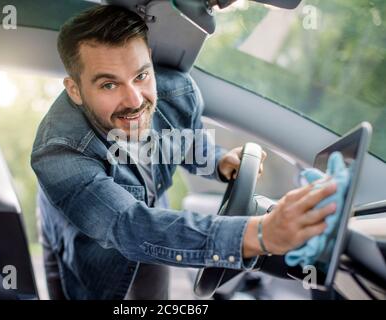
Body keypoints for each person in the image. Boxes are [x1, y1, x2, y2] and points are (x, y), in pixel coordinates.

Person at [31, 5, 337, 300]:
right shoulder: (58, 152)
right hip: (90, 252)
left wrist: (218, 160)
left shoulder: (176, 92)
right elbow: (127, 225)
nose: (135, 100)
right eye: (109, 85)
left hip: (152, 218)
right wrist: (259, 234)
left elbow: (186, 141)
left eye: (141, 75)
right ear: (74, 89)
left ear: (149, 60)